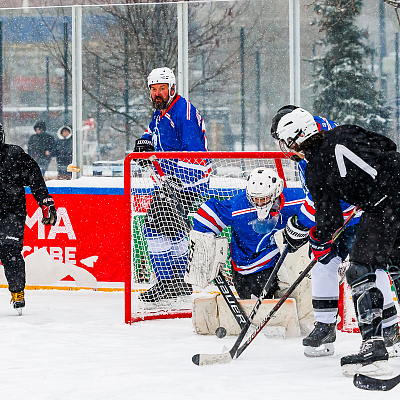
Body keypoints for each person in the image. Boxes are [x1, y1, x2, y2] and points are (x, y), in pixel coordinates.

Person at [272, 106, 400, 376]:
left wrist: (317, 239)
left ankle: (374, 349)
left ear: (297, 138)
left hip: (383, 207)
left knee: (360, 271)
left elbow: (328, 219)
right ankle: (375, 332)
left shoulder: (315, 166)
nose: (286, 149)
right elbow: (387, 145)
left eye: (287, 143)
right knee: (395, 266)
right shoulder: (344, 130)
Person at [133, 67, 209, 303]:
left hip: (188, 183)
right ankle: (179, 282)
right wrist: (144, 144)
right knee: (171, 228)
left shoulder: (183, 113)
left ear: (172, 89)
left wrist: (175, 179)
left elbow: (196, 156)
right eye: (154, 89)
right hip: (172, 182)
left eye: (162, 89)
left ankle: (168, 281)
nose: (157, 93)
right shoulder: (162, 111)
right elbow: (151, 133)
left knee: (154, 227)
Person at [191, 167, 302, 300]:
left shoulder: (296, 200)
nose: (259, 203)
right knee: (252, 299)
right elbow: (207, 215)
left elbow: (317, 207)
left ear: (276, 192)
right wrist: (204, 242)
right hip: (249, 266)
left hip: (280, 259)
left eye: (264, 198)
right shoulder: (238, 205)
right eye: (255, 199)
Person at [0, 122, 57, 314]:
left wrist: (45, 201)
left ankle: (17, 292)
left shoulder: (14, 155)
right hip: (11, 210)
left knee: (10, 251)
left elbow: (35, 178)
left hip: (12, 212)